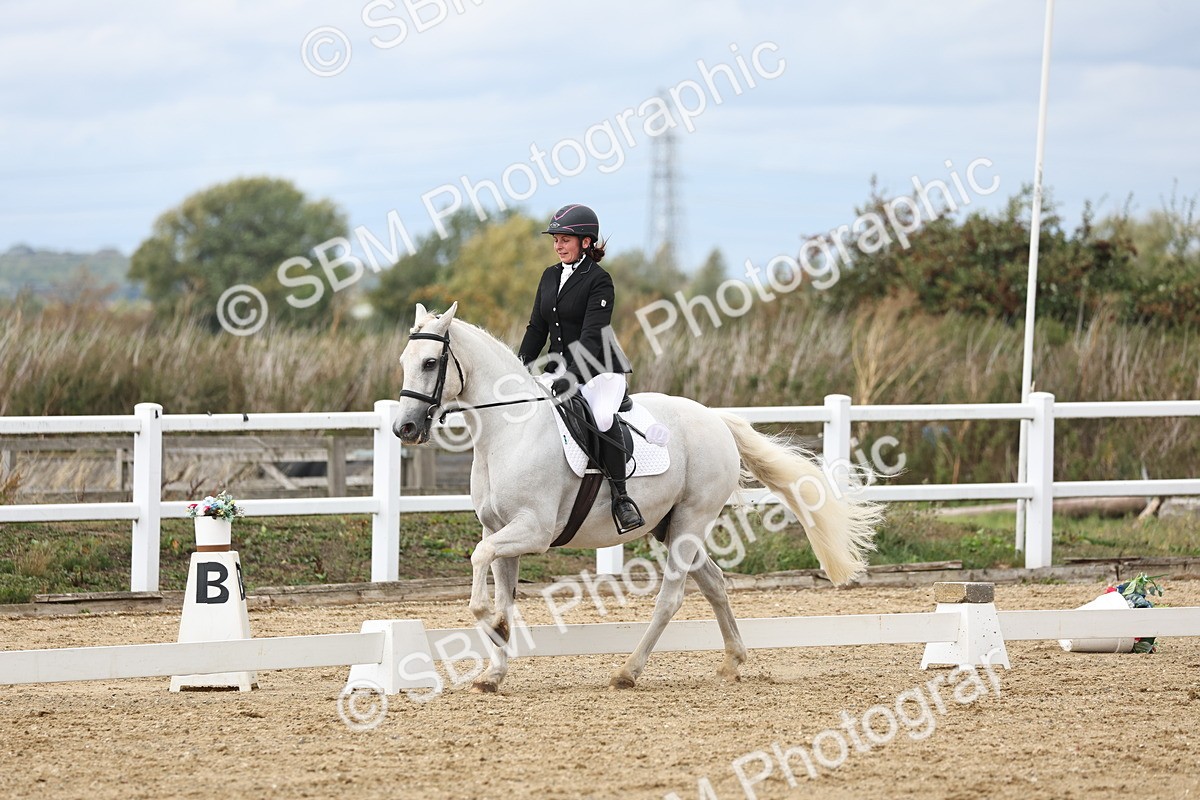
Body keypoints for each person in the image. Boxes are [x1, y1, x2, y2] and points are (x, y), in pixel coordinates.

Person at [518, 204, 645, 534]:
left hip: (598, 370)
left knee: (601, 417)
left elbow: (591, 335)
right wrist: (519, 368)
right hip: (558, 368)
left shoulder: (600, 281)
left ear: (585, 242)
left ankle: (621, 497)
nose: (558, 246)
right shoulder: (549, 276)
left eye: (565, 240)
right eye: (555, 240)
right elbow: (536, 329)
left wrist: (572, 376)